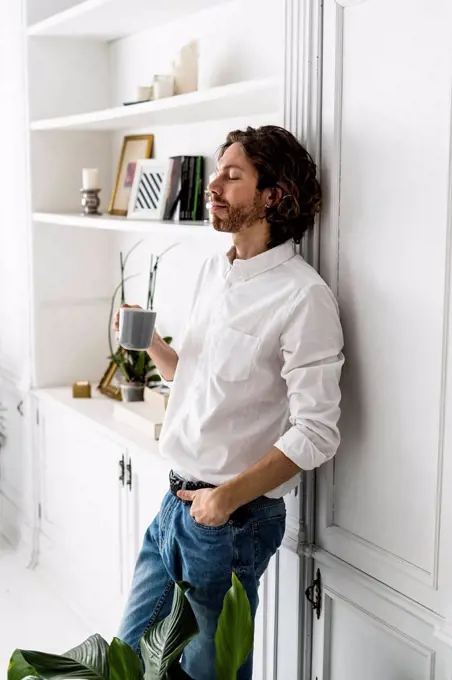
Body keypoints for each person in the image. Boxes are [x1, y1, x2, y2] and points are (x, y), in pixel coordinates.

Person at [114, 125, 344, 679]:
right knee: (128, 659)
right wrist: (154, 346)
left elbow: (317, 431)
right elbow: (196, 379)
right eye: (217, 172)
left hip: (233, 520)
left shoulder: (303, 296)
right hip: (174, 506)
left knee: (206, 673)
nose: (212, 184)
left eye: (232, 175)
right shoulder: (214, 272)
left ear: (273, 196)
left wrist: (224, 500)